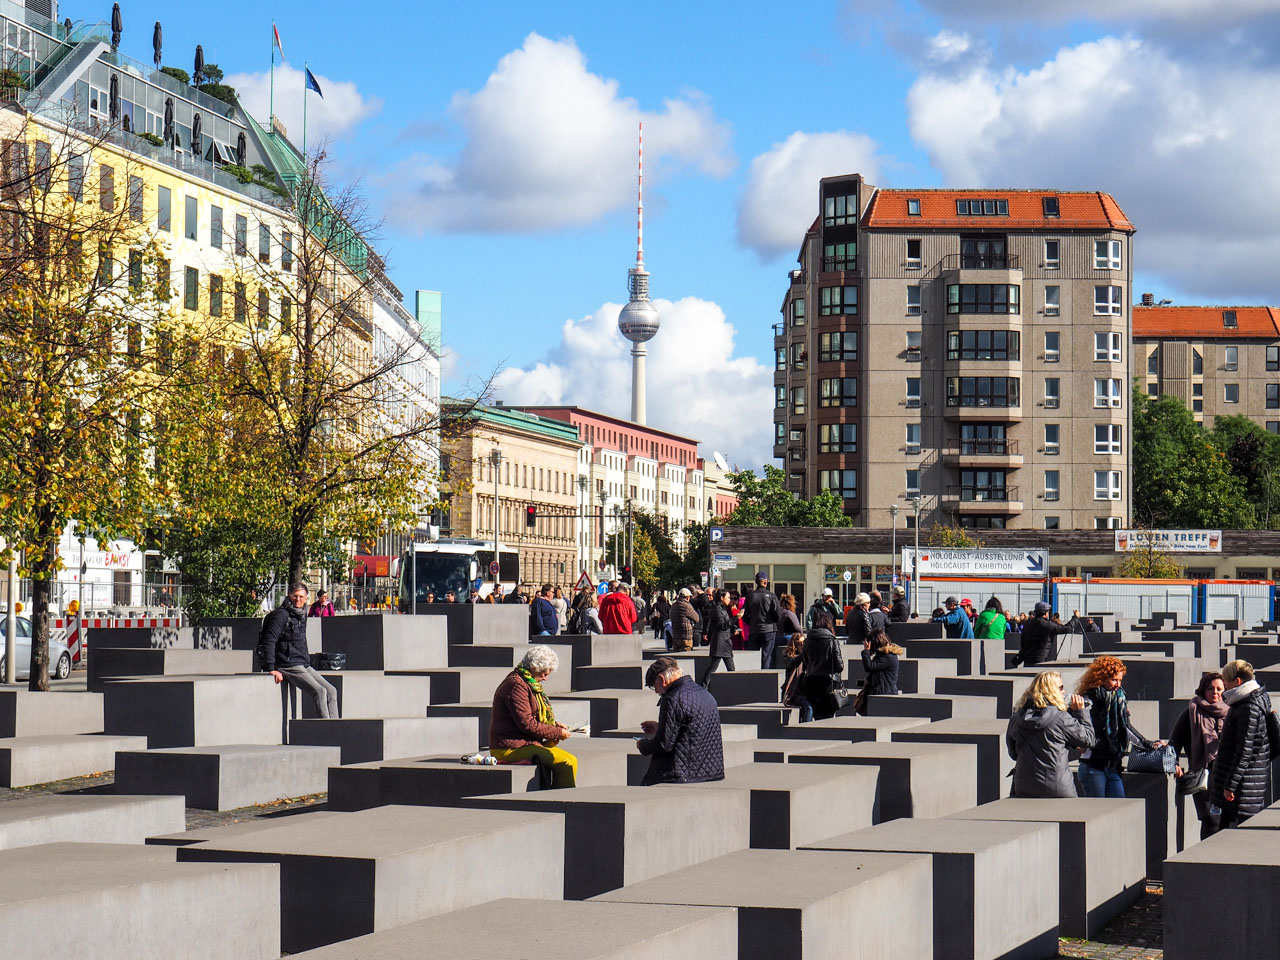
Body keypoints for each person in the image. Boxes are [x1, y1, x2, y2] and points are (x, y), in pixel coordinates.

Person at [488, 645, 577, 788]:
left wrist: (553, 725)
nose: (545, 678)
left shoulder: (526, 683)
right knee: (564, 764)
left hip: (526, 743)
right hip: (509, 748)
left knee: (572, 760)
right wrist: (557, 733)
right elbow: (527, 724)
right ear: (534, 668)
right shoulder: (516, 685)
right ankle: (563, 803)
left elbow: (533, 717)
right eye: (544, 674)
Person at [1076, 655, 1162, 799]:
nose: (1118, 684)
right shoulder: (1088, 699)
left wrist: (1148, 744)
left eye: (1120, 680)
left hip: (1113, 766)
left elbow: (1126, 727)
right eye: (1114, 680)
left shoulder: (1119, 698)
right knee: (1098, 812)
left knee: (1117, 803)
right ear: (1101, 678)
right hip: (1093, 765)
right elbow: (1082, 730)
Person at [1005, 671, 1097, 798]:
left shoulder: (1016, 717)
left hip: (1024, 785)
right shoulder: (1061, 718)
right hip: (1058, 786)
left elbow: (1013, 754)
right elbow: (1088, 739)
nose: (1063, 692)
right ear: (1051, 690)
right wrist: (1082, 712)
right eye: (1061, 688)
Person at [637, 657, 724, 785]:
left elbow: (663, 745)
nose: (656, 691)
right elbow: (691, 731)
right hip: (711, 773)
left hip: (682, 774)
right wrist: (659, 728)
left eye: (653, 686)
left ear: (661, 679)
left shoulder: (673, 699)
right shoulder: (705, 694)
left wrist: (643, 745)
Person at [1210, 659, 1275, 829]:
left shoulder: (1248, 707)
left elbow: (1244, 751)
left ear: (1237, 681)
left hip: (1243, 788)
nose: (1224, 686)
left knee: (1234, 837)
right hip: (1245, 783)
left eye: (1226, 681)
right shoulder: (1249, 701)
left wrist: (1230, 785)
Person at [259, 584, 339, 720]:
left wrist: (307, 661)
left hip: (302, 662)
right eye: (295, 596)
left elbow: (301, 640)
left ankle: (337, 727)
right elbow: (269, 641)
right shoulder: (281, 615)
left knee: (331, 691)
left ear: (306, 598)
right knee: (320, 692)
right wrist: (271, 668)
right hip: (287, 664)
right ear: (289, 596)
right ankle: (328, 730)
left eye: (301, 596)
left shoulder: (302, 614)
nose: (298, 599)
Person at [1169, 672, 1229, 838]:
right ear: (1203, 690)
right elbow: (1175, 741)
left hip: (1226, 774)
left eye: (1219, 689)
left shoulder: (1231, 711)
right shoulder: (1191, 711)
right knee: (1210, 820)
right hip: (1202, 774)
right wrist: (1173, 763)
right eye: (1210, 688)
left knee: (1226, 821)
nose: (1215, 692)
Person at [800, 612, 845, 721]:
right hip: (828, 682)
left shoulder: (807, 641)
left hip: (811, 681)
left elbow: (805, 662)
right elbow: (839, 666)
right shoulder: (832, 640)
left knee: (817, 715)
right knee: (828, 717)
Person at [1012, 602, 1073, 668]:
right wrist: (1075, 618)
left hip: (1027, 660)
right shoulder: (1047, 625)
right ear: (1045, 613)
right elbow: (1067, 629)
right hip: (1041, 660)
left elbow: (1023, 642)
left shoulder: (1027, 624)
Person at [744, 571, 781, 669]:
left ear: (756, 582)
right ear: (765, 582)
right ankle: (765, 678)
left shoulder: (750, 596)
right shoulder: (771, 596)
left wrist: (752, 623)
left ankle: (751, 677)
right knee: (767, 656)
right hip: (769, 630)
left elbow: (744, 615)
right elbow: (778, 614)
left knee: (752, 656)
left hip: (754, 630)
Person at [859, 628, 903, 709]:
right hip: (883, 691)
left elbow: (869, 667)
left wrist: (866, 651)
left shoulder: (887, 656)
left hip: (884, 693)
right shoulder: (885, 654)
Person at [701, 589, 736, 689]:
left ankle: (734, 686)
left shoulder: (722, 609)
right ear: (722, 598)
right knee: (713, 667)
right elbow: (722, 625)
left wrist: (733, 629)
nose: (730, 600)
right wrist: (736, 617)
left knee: (729, 667)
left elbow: (725, 624)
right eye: (728, 597)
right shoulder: (717, 609)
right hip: (721, 642)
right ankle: (703, 686)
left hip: (724, 642)